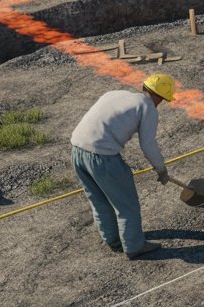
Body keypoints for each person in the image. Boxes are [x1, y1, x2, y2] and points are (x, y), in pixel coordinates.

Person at [71, 74, 175, 259]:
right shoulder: (147, 107)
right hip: (102, 157)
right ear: (162, 97)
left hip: (77, 150)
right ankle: (134, 246)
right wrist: (161, 169)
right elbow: (148, 144)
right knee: (127, 204)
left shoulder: (114, 93)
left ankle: (113, 240)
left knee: (99, 200)